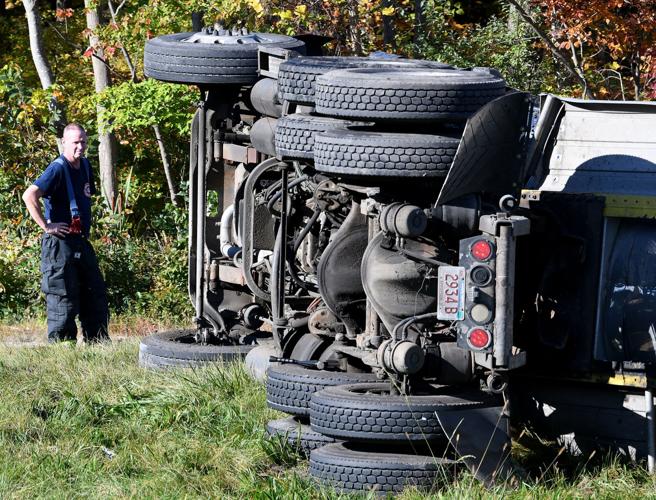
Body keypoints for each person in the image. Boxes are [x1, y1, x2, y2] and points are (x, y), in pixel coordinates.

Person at [22, 123, 110, 343]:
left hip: (79, 240)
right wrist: (47, 226)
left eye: (83, 142)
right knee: (63, 296)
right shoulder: (57, 168)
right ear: (64, 143)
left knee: (94, 292)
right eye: (75, 142)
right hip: (59, 243)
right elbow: (29, 196)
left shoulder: (86, 166)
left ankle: (97, 342)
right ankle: (62, 349)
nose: (80, 147)